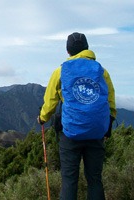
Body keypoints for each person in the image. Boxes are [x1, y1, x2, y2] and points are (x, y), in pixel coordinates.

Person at [37, 32, 116, 200]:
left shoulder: (61, 71)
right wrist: (108, 126)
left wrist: (42, 118)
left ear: (68, 51)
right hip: (96, 133)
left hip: (70, 133)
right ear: (87, 49)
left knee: (69, 180)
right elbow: (110, 102)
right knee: (95, 179)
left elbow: (50, 101)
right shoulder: (102, 71)